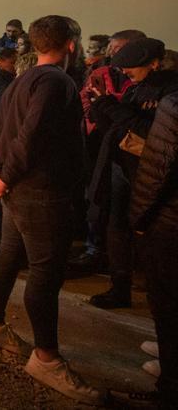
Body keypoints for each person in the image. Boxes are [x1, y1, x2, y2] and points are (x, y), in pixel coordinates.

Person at [0, 15, 100, 403]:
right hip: (41, 192)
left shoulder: (20, 80)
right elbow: (33, 133)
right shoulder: (57, 82)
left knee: (9, 255)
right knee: (46, 271)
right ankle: (46, 358)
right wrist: (5, 176)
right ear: (72, 45)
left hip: (20, 190)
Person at [85, 37, 178, 309]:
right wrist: (100, 104)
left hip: (149, 174)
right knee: (117, 228)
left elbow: (153, 133)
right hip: (121, 168)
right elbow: (115, 127)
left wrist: (112, 108)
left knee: (150, 237)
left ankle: (158, 302)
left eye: (130, 66)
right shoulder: (137, 88)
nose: (125, 72)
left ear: (154, 63)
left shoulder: (169, 92)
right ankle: (120, 286)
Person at [125, 91, 178, 407]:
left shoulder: (172, 106)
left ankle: (170, 388)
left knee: (168, 304)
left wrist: (139, 217)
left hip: (169, 221)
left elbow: (158, 169)